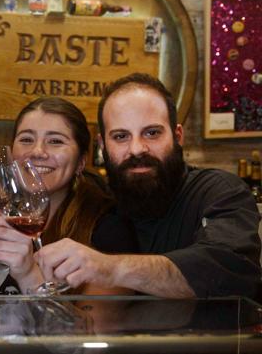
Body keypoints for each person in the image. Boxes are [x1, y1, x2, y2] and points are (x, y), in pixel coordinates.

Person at [36, 73, 262, 299]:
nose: (136, 149)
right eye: (121, 136)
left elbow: (228, 271)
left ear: (178, 136)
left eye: (152, 133)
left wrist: (109, 268)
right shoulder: (98, 202)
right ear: (102, 145)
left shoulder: (218, 191)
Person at [0, 97, 137, 294]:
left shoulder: (110, 229)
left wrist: (29, 274)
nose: (37, 152)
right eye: (26, 139)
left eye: (55, 141)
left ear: (81, 162)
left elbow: (95, 324)